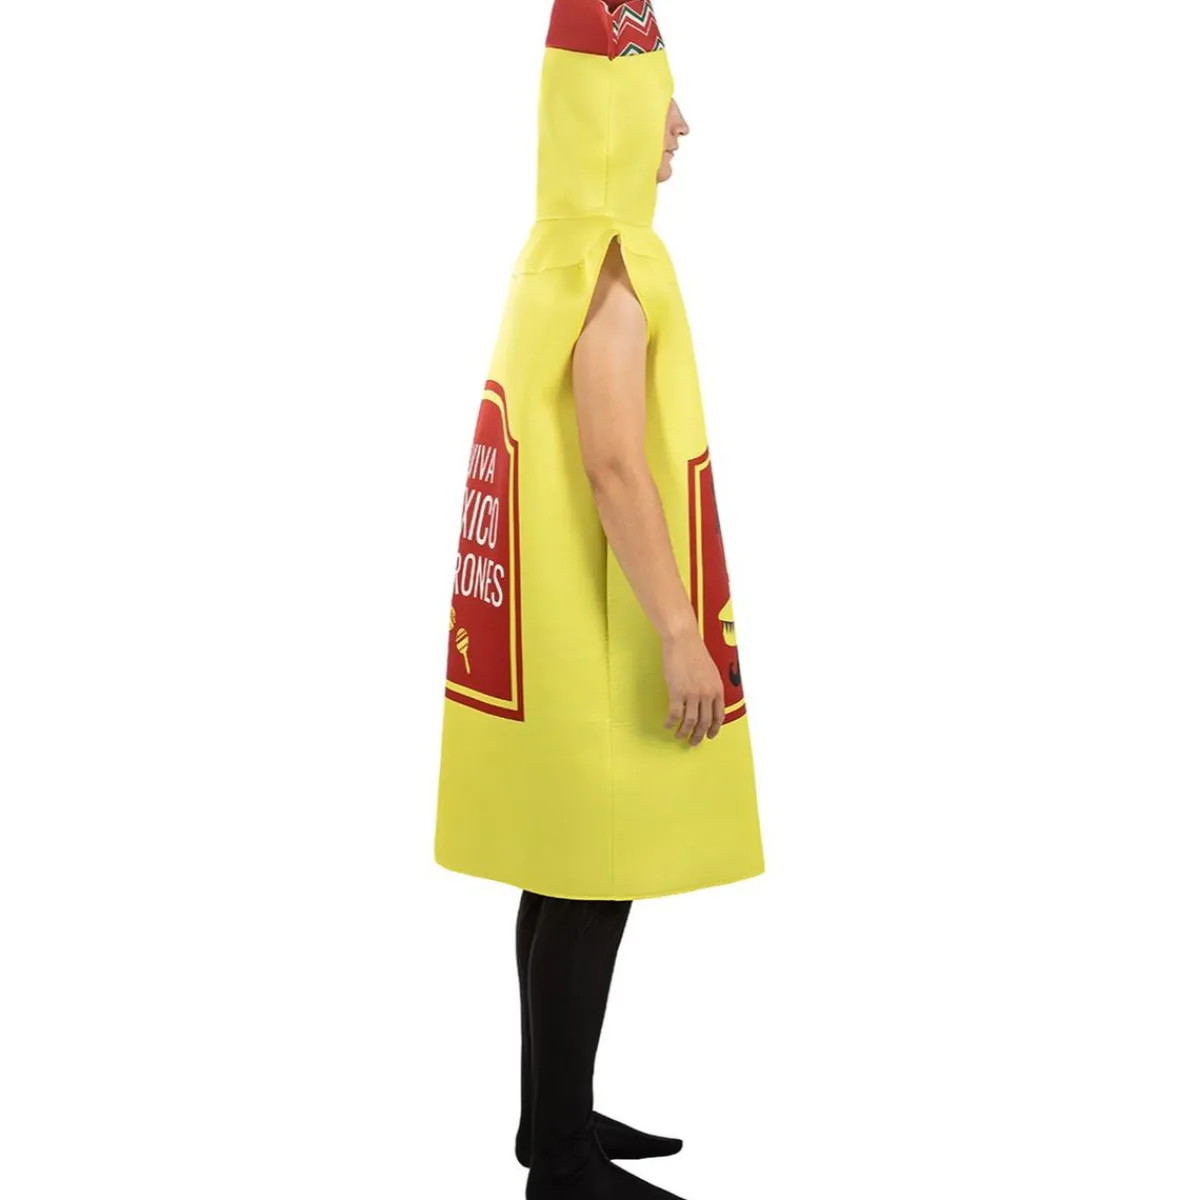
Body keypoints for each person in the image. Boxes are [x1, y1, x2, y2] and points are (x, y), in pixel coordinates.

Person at [435, 2, 764, 1196]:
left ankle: (550, 1119)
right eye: (660, 102)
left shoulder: (552, 248)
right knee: (593, 880)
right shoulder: (613, 273)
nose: (679, 126)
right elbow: (616, 463)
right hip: (597, 626)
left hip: (545, 625)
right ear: (613, 116)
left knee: (559, 871)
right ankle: (564, 1166)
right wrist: (682, 632)